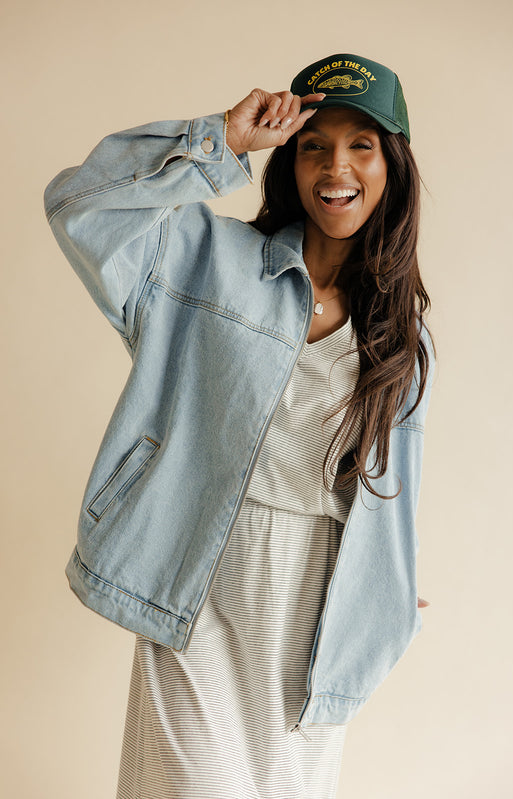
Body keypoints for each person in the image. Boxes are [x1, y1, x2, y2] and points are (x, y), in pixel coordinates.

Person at [44, 52, 434, 799]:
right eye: (314, 143)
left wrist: (383, 580)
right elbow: (78, 206)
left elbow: (390, 495)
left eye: (361, 145)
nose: (335, 166)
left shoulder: (402, 343)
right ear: (287, 160)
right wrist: (217, 140)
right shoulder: (205, 261)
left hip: (318, 595)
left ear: (393, 166)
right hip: (199, 569)